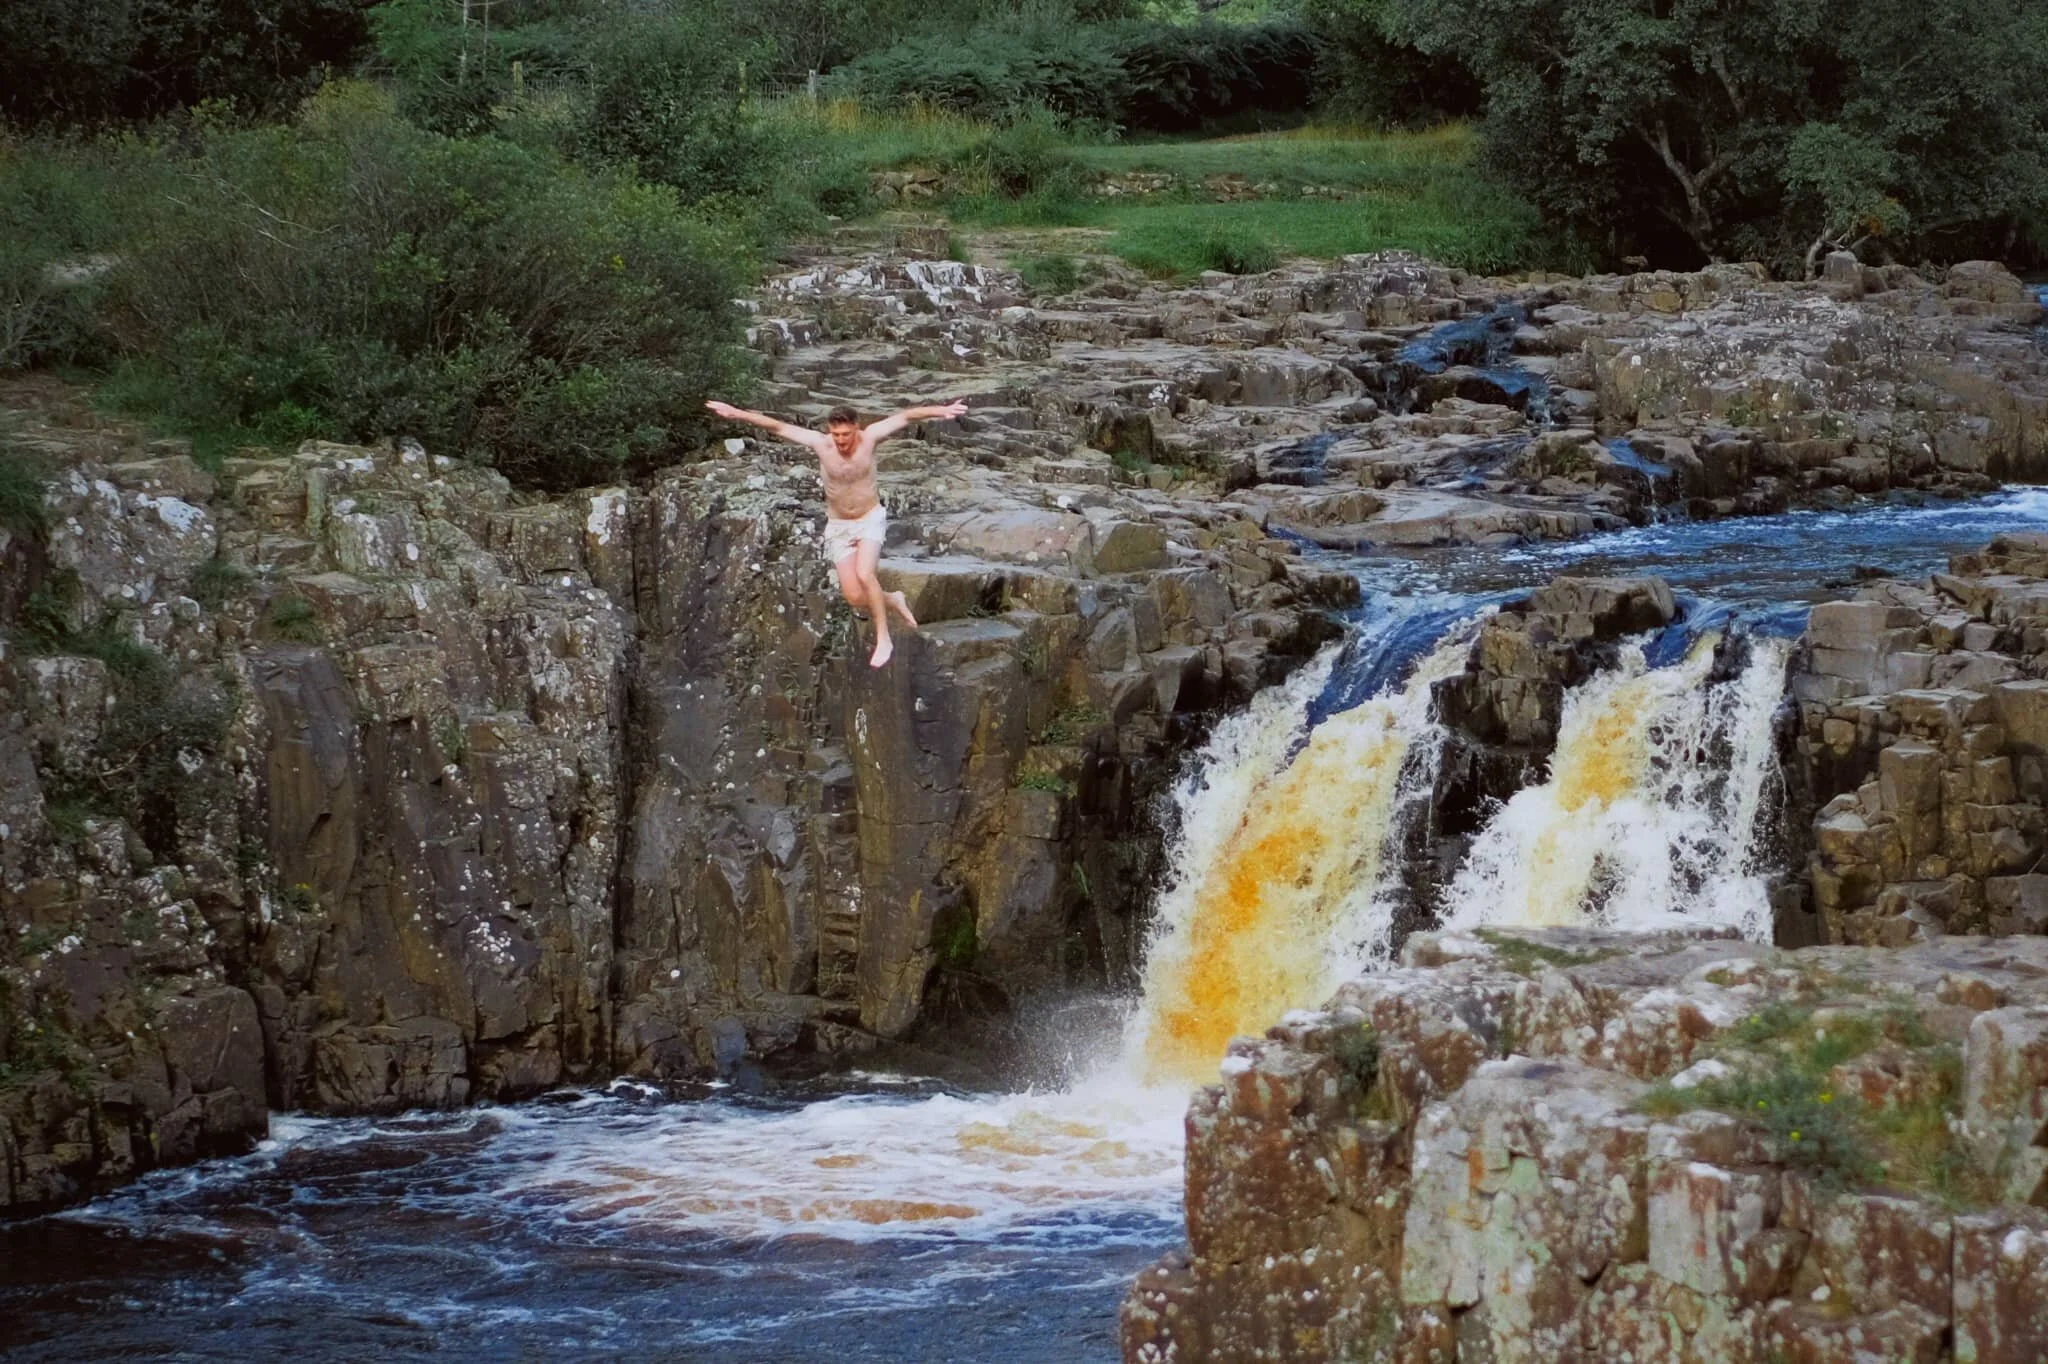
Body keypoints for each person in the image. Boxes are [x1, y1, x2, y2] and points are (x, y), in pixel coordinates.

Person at [704, 398, 967, 667]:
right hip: (839, 525)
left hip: (869, 518)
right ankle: (893, 599)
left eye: (845, 434)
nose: (840, 440)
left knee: (865, 574)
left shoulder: (871, 437)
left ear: (856, 428)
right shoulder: (821, 443)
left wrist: (941, 411)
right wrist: (736, 413)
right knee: (853, 597)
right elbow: (777, 427)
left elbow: (906, 417)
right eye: (836, 434)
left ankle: (883, 637)